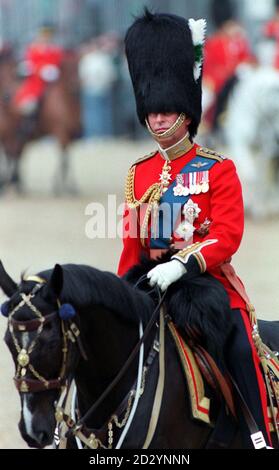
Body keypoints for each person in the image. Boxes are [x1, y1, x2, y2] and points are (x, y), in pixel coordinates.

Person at [117, 9, 273, 449]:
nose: (158, 121)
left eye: (167, 113)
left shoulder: (218, 169)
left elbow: (227, 235)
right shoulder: (137, 175)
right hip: (151, 287)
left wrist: (184, 264)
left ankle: (258, 434)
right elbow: (132, 248)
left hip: (209, 289)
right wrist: (121, 292)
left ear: (186, 113)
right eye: (152, 114)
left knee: (241, 349)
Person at [13, 23, 64, 115]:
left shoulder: (56, 49)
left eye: (48, 35)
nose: (46, 37)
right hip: (36, 81)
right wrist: (41, 70)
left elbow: (57, 62)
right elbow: (31, 63)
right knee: (29, 105)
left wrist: (52, 70)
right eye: (44, 34)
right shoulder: (33, 49)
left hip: (54, 80)